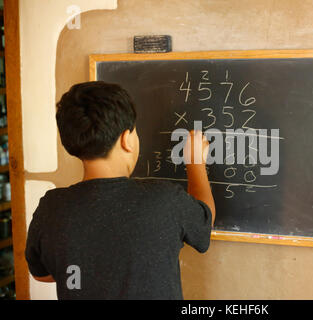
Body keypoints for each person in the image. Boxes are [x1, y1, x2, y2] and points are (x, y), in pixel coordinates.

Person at [25, 81, 215, 299]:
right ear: (127, 139)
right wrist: (195, 162)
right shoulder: (164, 200)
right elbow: (204, 225)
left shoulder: (52, 207)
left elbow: (41, 273)